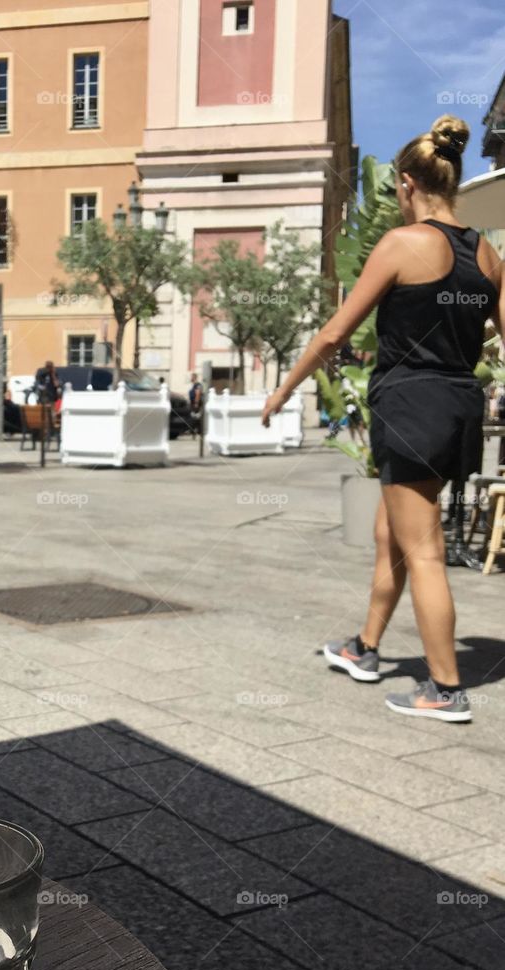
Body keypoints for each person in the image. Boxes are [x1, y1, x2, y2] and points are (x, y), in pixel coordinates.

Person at [263, 114, 503, 723]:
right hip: (457, 408)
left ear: (405, 184)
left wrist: (282, 393)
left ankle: (445, 688)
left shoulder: (401, 244)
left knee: (422, 550)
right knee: (390, 535)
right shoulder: (488, 253)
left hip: (411, 406)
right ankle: (365, 648)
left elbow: (336, 333)